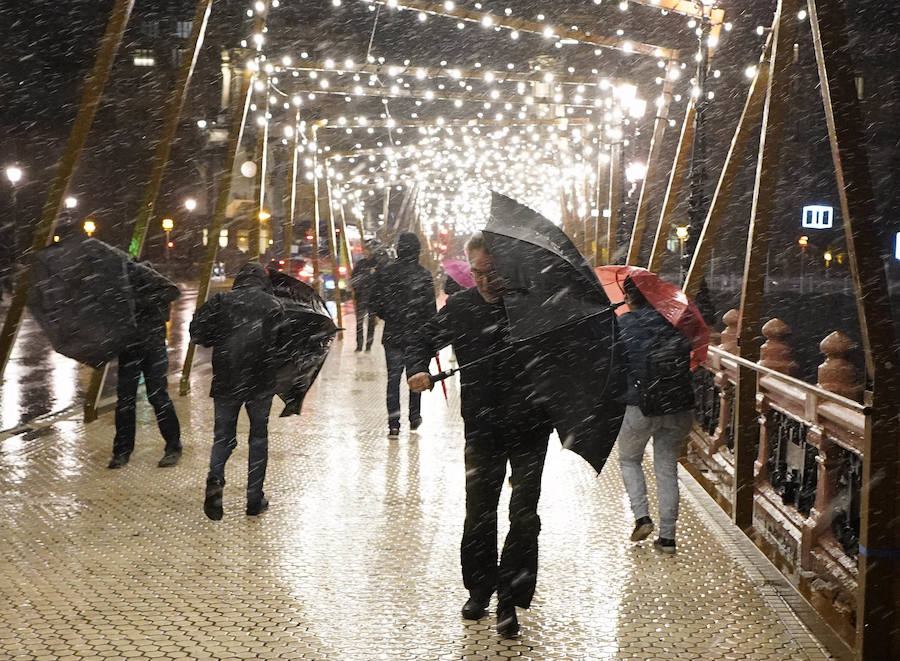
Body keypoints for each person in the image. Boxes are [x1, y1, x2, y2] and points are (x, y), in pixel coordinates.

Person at [407, 232, 553, 638]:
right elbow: (421, 337)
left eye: (492, 272)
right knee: (479, 512)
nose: (485, 280)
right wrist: (418, 367)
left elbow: (558, 358)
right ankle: (479, 588)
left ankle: (511, 596)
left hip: (531, 426)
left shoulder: (531, 305)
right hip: (483, 425)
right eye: (477, 272)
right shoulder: (462, 306)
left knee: (524, 514)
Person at [190, 262, 286, 520]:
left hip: (227, 379)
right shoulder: (273, 305)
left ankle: (215, 478)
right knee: (258, 439)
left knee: (223, 437)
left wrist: (218, 336)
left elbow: (198, 333)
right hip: (260, 381)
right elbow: (283, 345)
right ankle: (254, 499)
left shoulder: (221, 301)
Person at [615, 276, 694, 554]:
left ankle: (642, 517)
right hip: (678, 405)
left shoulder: (623, 323)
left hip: (640, 405)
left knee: (629, 459)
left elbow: (612, 365)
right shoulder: (676, 322)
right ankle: (668, 538)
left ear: (629, 297)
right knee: (666, 467)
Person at [108, 260, 183, 469]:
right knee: (125, 401)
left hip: (153, 349)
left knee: (158, 397)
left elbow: (169, 299)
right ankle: (122, 452)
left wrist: (140, 301)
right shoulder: (123, 291)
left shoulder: (159, 289)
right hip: (129, 350)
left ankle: (173, 446)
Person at [371, 232, 436, 437]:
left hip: (393, 334)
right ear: (417, 250)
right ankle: (414, 416)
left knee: (393, 379)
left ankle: (394, 423)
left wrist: (390, 314)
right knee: (415, 376)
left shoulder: (386, 273)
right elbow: (430, 311)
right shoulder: (423, 275)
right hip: (417, 336)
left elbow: (375, 303)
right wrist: (432, 340)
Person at [350, 240, 380, 352]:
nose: (366, 252)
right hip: (361, 296)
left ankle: (368, 345)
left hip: (373, 298)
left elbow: (380, 280)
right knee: (359, 322)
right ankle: (359, 344)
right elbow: (354, 278)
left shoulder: (377, 264)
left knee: (371, 323)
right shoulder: (360, 264)